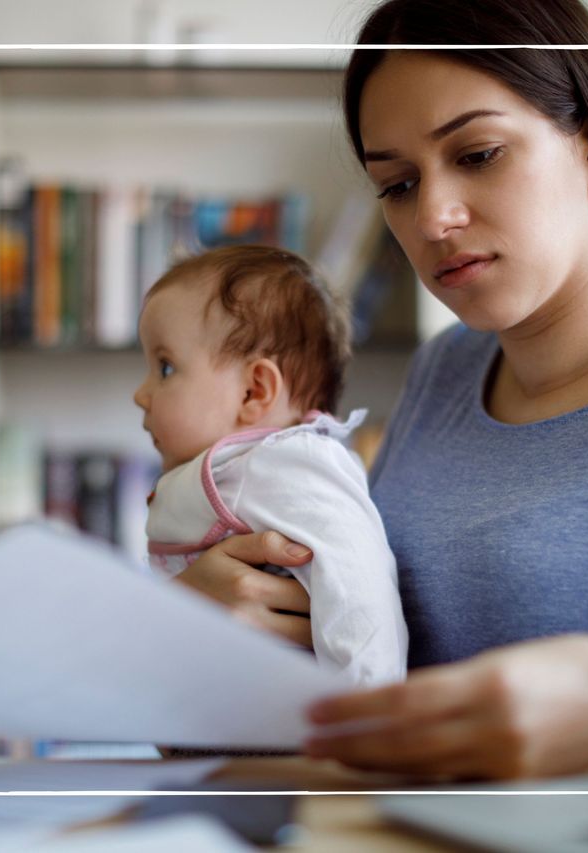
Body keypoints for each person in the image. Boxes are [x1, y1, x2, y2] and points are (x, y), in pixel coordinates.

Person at [172, 0, 588, 778]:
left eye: (478, 153)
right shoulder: (444, 371)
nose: (435, 218)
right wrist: (217, 633)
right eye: (399, 184)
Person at [133, 244, 409, 686]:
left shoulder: (289, 465)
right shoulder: (236, 469)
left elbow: (357, 581)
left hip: (308, 735)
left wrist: (367, 709)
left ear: (254, 391)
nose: (141, 394)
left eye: (165, 369)